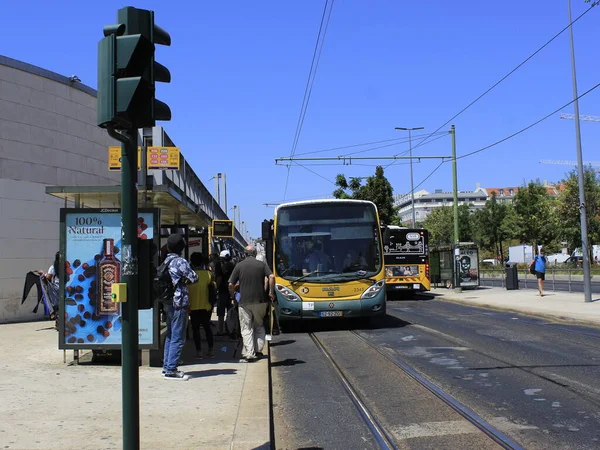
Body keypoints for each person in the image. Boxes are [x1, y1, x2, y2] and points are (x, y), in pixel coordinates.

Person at [228, 245, 275, 362]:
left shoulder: (239, 265)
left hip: (244, 302)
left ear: (244, 254)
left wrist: (232, 296)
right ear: (254, 254)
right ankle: (258, 351)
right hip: (260, 301)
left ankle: (250, 353)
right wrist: (271, 292)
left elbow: (230, 284)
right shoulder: (262, 265)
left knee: (246, 327)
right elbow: (271, 276)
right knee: (259, 325)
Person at [162, 234, 198, 380]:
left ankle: (166, 366)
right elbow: (195, 277)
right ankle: (171, 369)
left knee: (170, 335)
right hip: (179, 302)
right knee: (178, 336)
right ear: (182, 248)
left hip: (168, 301)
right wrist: (184, 281)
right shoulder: (180, 261)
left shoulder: (166, 260)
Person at [188, 253, 214, 359]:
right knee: (207, 328)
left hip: (193, 306)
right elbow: (212, 288)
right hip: (206, 306)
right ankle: (211, 350)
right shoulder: (208, 274)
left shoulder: (190, 275)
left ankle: (199, 352)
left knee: (195, 329)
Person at [217, 250, 236, 336]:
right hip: (231, 290)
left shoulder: (220, 266)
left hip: (222, 291)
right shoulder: (233, 266)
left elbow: (219, 278)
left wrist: (216, 287)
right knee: (230, 312)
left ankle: (221, 330)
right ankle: (230, 329)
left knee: (221, 312)